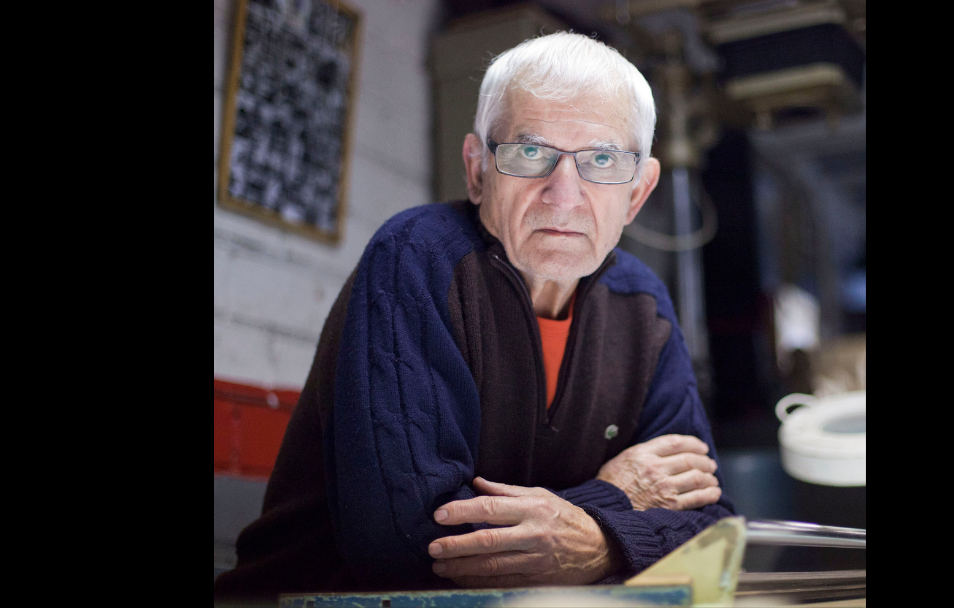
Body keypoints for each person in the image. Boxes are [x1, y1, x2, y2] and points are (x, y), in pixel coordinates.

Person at [214, 31, 736, 600]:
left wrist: (589, 537)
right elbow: (403, 543)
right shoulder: (416, 257)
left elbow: (711, 531)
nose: (564, 195)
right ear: (478, 169)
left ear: (637, 193)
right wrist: (617, 501)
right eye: (530, 152)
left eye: (603, 160)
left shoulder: (644, 304)